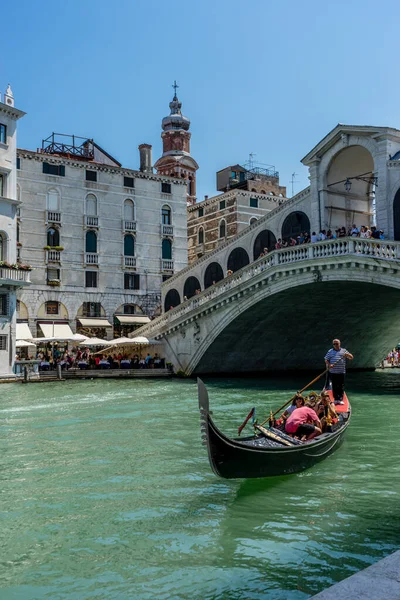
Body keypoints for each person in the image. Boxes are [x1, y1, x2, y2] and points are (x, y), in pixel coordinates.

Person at [324, 339, 354, 405]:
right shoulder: (330, 351)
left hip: (341, 372)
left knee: (341, 386)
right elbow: (326, 359)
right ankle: (335, 399)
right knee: (334, 386)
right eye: (334, 344)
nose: (335, 345)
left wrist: (347, 355)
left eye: (337, 344)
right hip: (333, 372)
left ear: (339, 344)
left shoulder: (344, 351)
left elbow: (351, 357)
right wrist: (330, 365)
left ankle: (340, 399)